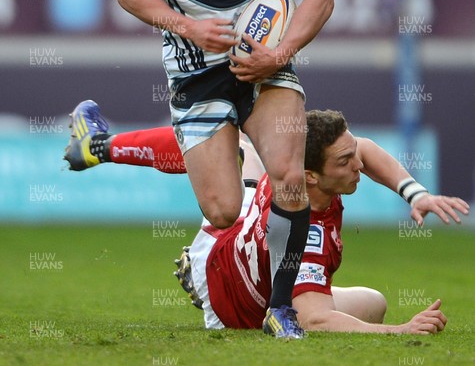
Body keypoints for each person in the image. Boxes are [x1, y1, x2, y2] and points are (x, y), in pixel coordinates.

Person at [113, 0, 334, 338]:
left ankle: (281, 310)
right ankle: (208, 239)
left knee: (289, 174)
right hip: (195, 68)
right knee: (223, 208)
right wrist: (187, 27)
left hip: (263, 63)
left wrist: (278, 56)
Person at [64, 102, 469, 333]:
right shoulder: (310, 234)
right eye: (346, 163)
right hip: (232, 307)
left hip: (238, 236)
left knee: (374, 303)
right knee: (224, 146)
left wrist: (415, 194)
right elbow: (312, 320)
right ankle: (99, 146)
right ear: (311, 175)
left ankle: (98, 145)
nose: (358, 166)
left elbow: (366, 149)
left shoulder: (292, 167)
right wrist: (400, 332)